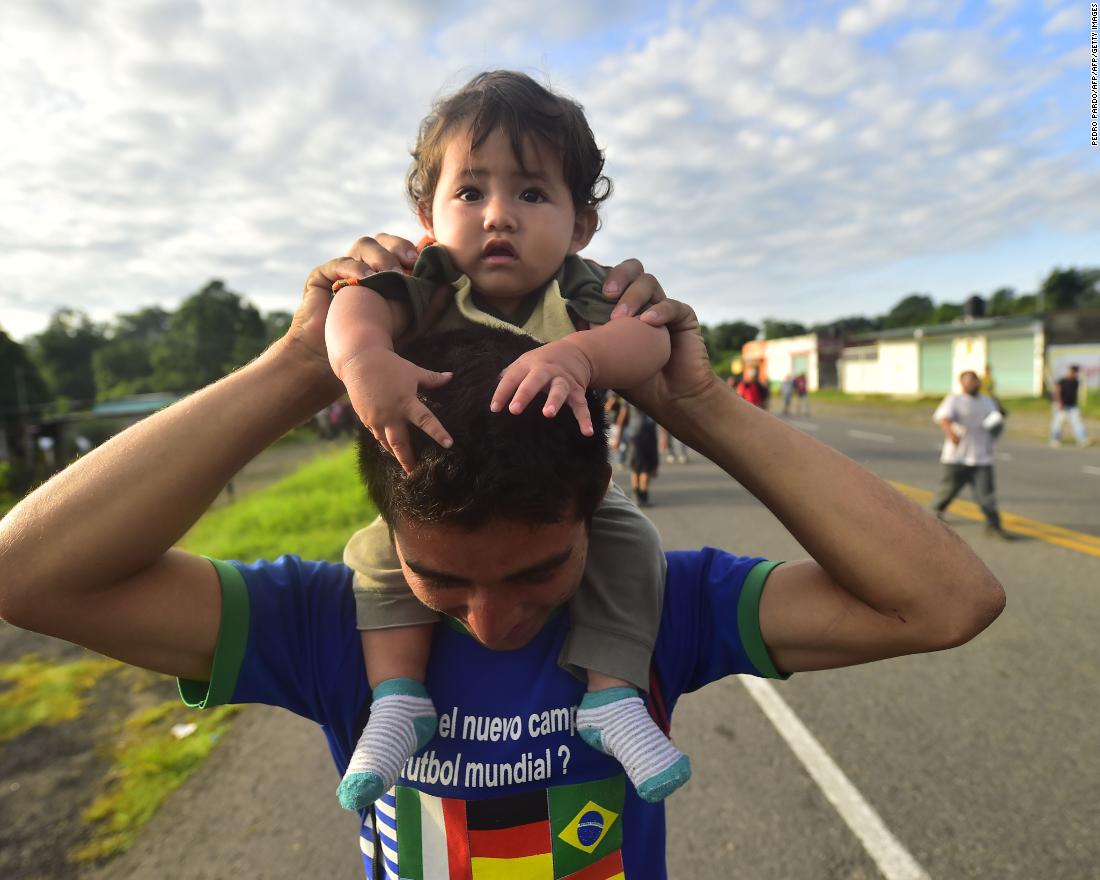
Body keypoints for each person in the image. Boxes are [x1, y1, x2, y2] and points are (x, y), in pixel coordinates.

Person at [0, 269, 1005, 879]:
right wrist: (305, 363)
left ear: (596, 514)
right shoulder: (327, 621)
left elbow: (945, 599)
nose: (491, 622)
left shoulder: (655, 600)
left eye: (539, 572)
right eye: (439, 578)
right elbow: (32, 573)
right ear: (384, 529)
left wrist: (693, 399)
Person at [322, 71, 683, 812]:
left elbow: (648, 348)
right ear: (427, 211)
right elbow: (354, 305)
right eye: (470, 192)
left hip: (559, 499)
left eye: (531, 194)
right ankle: (397, 698)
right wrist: (364, 360)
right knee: (377, 559)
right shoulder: (427, 279)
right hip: (434, 491)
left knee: (630, 545)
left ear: (581, 224)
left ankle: (613, 695)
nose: (498, 217)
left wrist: (581, 355)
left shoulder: (581, 291)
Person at [931, 370, 1012, 540]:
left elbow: (995, 419)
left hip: (982, 456)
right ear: (962, 384)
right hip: (956, 456)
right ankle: (935, 515)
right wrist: (950, 433)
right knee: (949, 489)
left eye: (974, 381)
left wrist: (998, 418)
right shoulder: (955, 399)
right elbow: (943, 417)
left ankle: (993, 526)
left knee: (986, 495)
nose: (971, 384)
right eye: (967, 381)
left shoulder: (987, 401)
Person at [615, 402, 659, 506]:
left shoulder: (630, 398)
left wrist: (617, 436)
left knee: (635, 467)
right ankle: (643, 496)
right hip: (649, 434)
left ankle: (636, 494)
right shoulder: (652, 398)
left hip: (634, 434)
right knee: (645, 468)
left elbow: (622, 417)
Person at [1049, 365, 1094, 448]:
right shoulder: (1062, 381)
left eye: (1075, 372)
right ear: (1069, 371)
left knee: (1077, 423)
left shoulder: (1076, 382)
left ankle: (1083, 439)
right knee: (1058, 423)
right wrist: (1059, 402)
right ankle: (1055, 439)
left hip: (1072, 405)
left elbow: (1083, 384)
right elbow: (1057, 392)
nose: (1074, 374)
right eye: (1072, 372)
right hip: (1061, 405)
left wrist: (1083, 375)